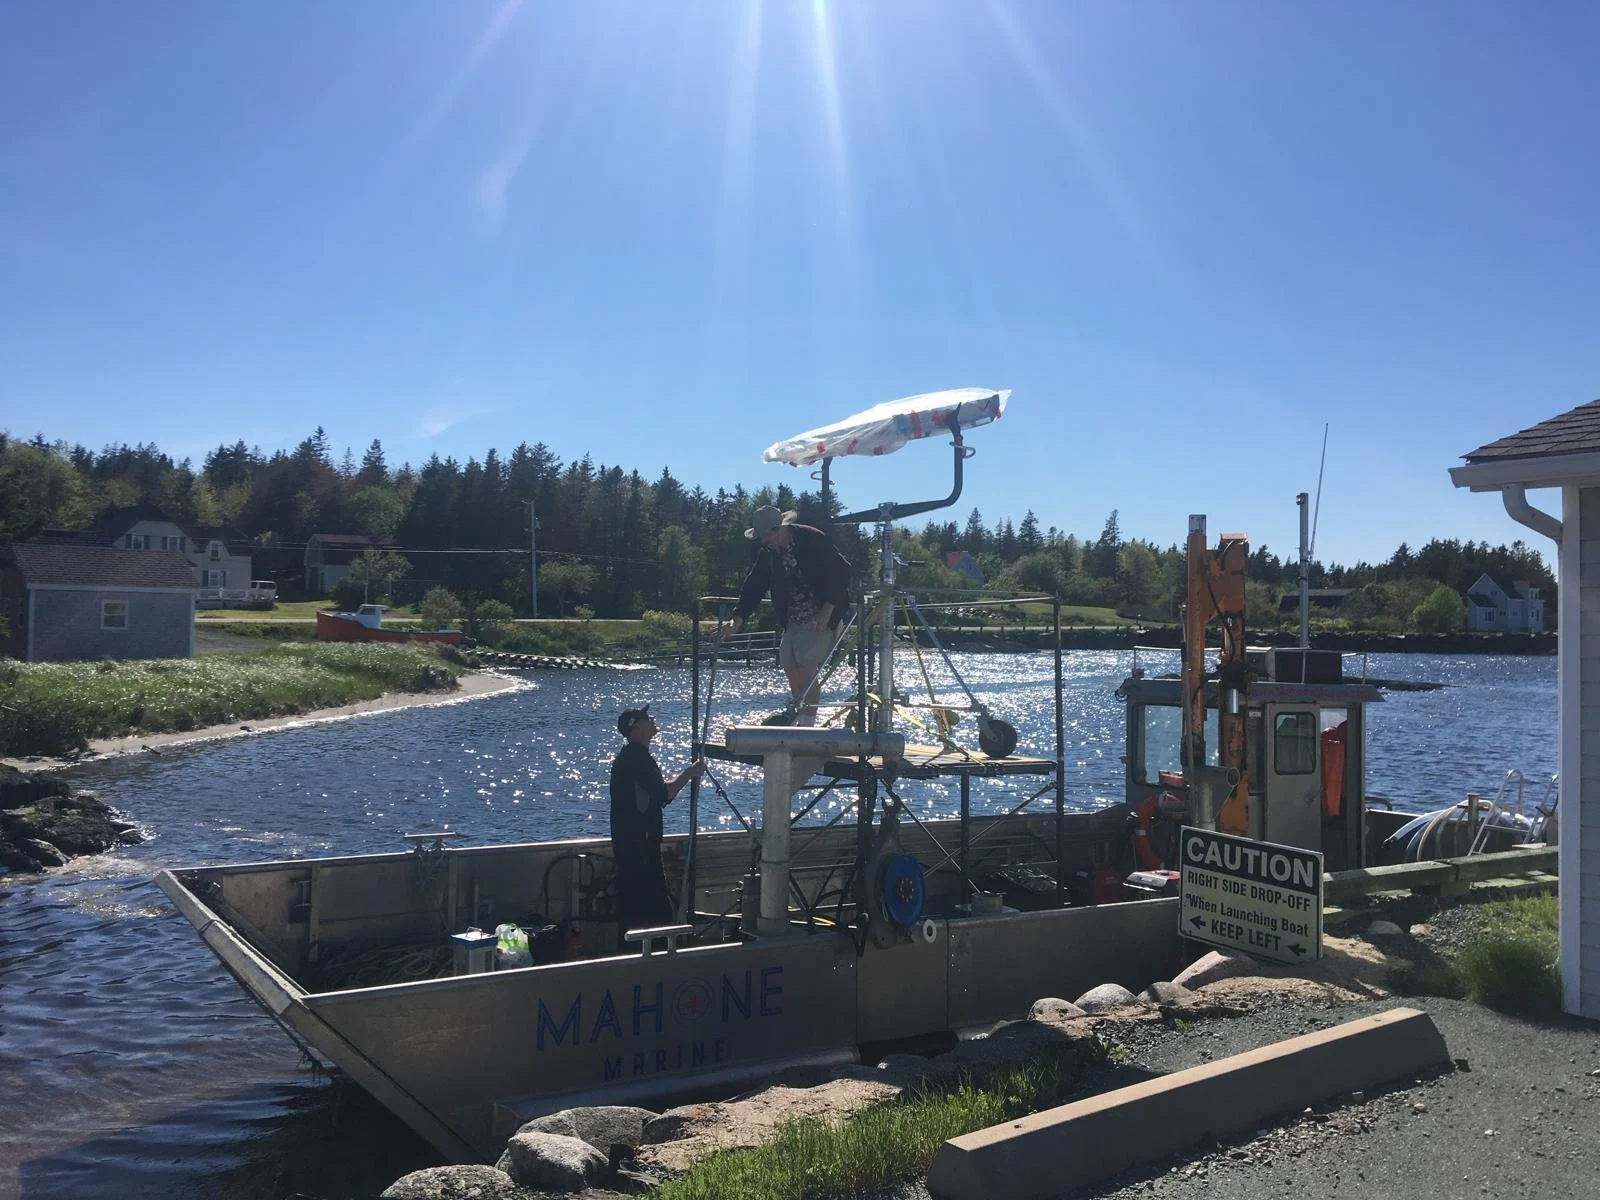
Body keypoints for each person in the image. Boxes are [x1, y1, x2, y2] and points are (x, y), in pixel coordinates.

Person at [724, 505, 853, 726]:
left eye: (765, 536)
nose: (764, 541)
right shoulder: (769, 553)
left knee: (807, 665)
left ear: (778, 529)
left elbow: (842, 570)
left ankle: (807, 725)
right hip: (794, 617)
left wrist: (827, 609)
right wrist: (737, 618)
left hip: (822, 613)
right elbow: (754, 585)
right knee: (789, 662)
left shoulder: (811, 539)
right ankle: (799, 716)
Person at [609, 704, 705, 933]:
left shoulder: (630, 757)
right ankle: (650, 950)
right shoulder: (638, 759)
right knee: (654, 909)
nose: (652, 719)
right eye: (646, 718)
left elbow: (655, 794)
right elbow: (664, 794)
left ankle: (633, 947)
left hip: (631, 844)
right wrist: (691, 772)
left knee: (635, 905)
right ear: (636, 728)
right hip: (640, 846)